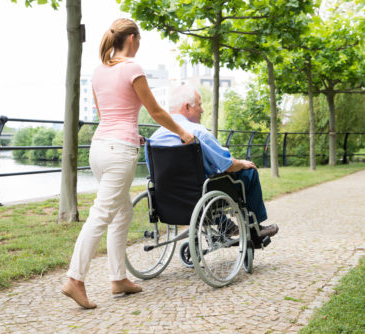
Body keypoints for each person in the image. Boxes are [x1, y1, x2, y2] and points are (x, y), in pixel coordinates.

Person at [61, 19, 194, 309]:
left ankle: (118, 278)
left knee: (122, 212)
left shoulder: (98, 72)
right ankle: (75, 279)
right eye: (140, 40)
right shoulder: (132, 68)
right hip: (119, 151)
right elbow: (156, 110)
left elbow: (107, 113)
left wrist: (134, 135)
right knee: (102, 213)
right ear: (132, 39)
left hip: (98, 148)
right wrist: (183, 132)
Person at [148, 84, 279, 237]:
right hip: (201, 195)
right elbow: (227, 165)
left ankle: (225, 224)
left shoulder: (154, 138)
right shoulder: (198, 132)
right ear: (187, 107)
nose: (202, 110)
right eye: (199, 105)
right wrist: (242, 163)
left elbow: (154, 174)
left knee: (206, 183)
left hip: (169, 199)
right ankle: (254, 227)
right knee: (248, 173)